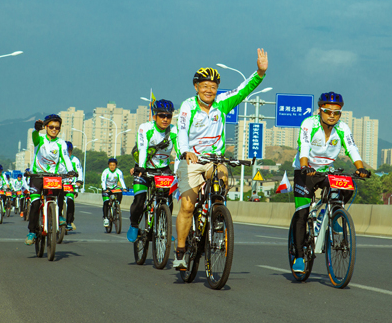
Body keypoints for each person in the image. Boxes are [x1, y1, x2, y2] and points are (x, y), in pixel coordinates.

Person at [172, 48, 268, 270]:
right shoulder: (189, 106)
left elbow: (243, 90)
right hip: (191, 161)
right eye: (204, 86)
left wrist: (260, 73)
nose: (209, 90)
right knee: (187, 206)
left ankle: (216, 215)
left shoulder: (222, 103)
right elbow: (182, 130)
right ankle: (180, 250)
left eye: (213, 87)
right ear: (196, 87)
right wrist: (186, 151)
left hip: (214, 159)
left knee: (222, 176)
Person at [290, 92, 371, 274]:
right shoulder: (309, 124)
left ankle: (334, 214)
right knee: (302, 214)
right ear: (320, 110)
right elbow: (303, 145)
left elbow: (351, 147)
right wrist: (304, 166)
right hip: (305, 170)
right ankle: (300, 256)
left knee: (348, 186)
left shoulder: (342, 128)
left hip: (327, 170)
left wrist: (360, 167)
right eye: (328, 111)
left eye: (337, 112)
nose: (332, 116)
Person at [127, 99, 180, 243]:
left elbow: (180, 152)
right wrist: (141, 167)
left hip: (163, 169)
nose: (165, 119)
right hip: (144, 168)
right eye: (161, 115)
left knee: (167, 200)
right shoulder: (145, 128)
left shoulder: (174, 130)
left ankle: (164, 227)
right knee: (139, 200)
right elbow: (142, 148)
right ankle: (134, 225)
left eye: (168, 116)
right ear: (154, 116)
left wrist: (179, 170)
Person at [25, 114, 76, 245]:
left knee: (59, 193)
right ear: (46, 127)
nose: (54, 129)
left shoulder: (61, 143)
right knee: (35, 203)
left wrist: (70, 171)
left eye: (57, 128)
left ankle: (57, 215)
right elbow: (35, 136)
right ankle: (32, 231)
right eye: (51, 127)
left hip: (52, 177)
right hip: (37, 176)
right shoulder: (39, 139)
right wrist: (36, 129)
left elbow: (65, 158)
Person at [63, 141, 84, 231]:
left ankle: (69, 221)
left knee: (70, 202)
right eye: (66, 151)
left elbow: (79, 171)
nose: (68, 153)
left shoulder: (75, 160)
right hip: (59, 184)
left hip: (71, 186)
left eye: (69, 151)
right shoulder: (59, 159)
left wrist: (79, 181)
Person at [101, 158, 127, 228]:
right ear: (108, 165)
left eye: (113, 165)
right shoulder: (105, 172)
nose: (112, 166)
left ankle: (117, 205)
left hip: (115, 188)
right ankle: (106, 218)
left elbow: (121, 180)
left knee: (120, 192)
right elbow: (103, 181)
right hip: (107, 188)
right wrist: (104, 189)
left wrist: (124, 187)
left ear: (116, 166)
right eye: (110, 165)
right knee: (106, 202)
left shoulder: (119, 172)